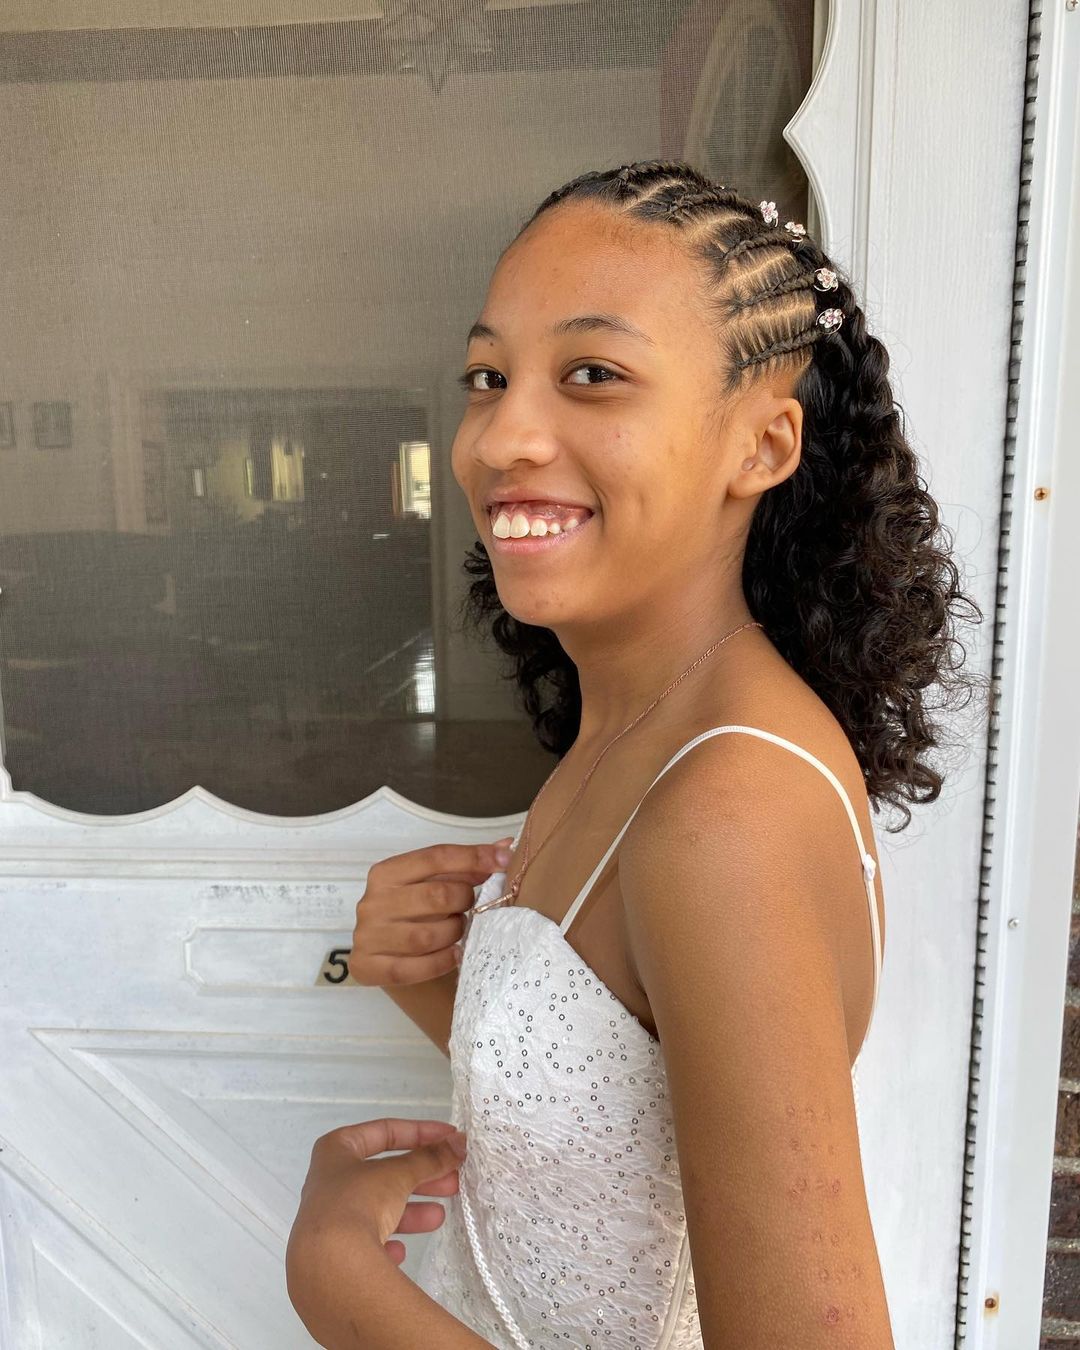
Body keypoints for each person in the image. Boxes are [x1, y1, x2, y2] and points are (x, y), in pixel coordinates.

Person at [286, 160, 984, 1349]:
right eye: (489, 377)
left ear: (761, 446)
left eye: (593, 375)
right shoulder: (633, 729)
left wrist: (342, 1285)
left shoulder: (727, 815)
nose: (501, 437)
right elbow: (626, 1109)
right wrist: (427, 980)